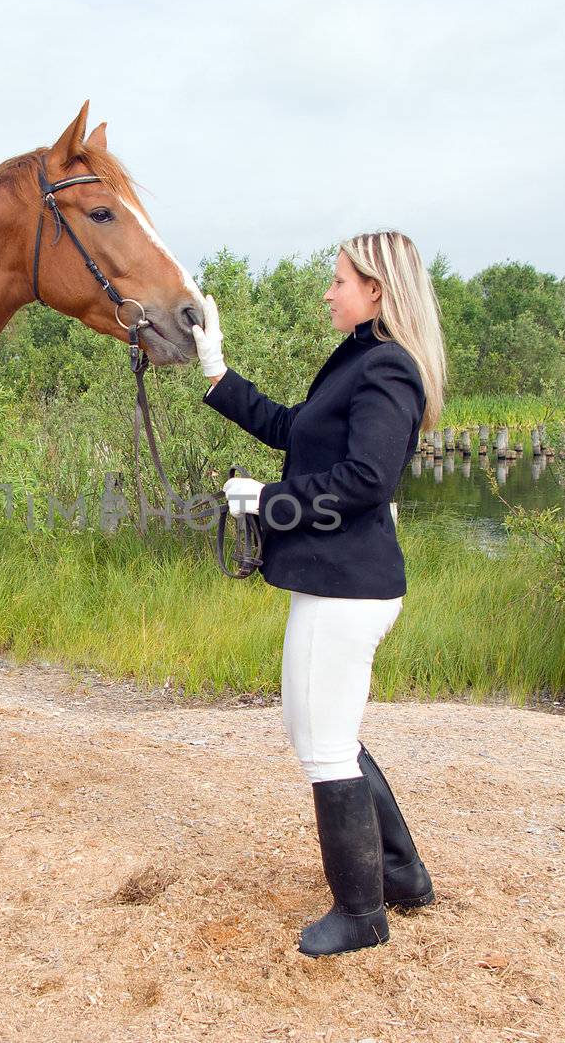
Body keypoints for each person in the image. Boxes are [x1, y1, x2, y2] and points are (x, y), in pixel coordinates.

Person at [191, 231, 447, 957]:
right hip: (335, 580)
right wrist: (217, 372)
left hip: (348, 585)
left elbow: (367, 481)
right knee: (320, 732)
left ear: (377, 289)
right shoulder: (358, 360)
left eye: (339, 280)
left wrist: (265, 500)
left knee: (323, 742)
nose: (329, 292)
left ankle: (362, 912)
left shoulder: (388, 368)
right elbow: (293, 430)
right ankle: (401, 872)